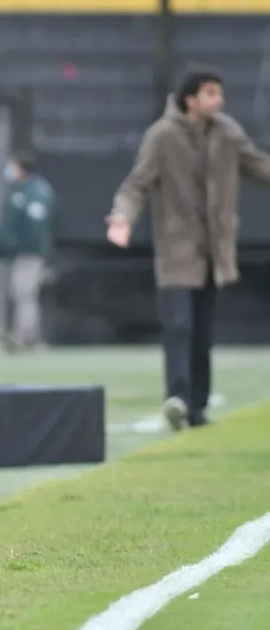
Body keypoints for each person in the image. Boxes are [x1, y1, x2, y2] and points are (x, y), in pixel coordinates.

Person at [107, 67, 270, 431]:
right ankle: (177, 398)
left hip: (214, 250)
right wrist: (122, 218)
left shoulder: (227, 133)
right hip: (176, 249)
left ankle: (197, 408)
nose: (220, 101)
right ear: (191, 99)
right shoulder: (162, 136)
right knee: (178, 325)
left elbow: (259, 165)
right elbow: (137, 184)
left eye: (220, 93)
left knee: (202, 333)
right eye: (212, 93)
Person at [0, 150, 56, 352]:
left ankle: (23, 336)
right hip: (19, 253)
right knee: (22, 294)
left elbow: (37, 226)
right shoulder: (17, 190)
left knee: (24, 293)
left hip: (31, 253)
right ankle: (30, 336)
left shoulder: (37, 191)